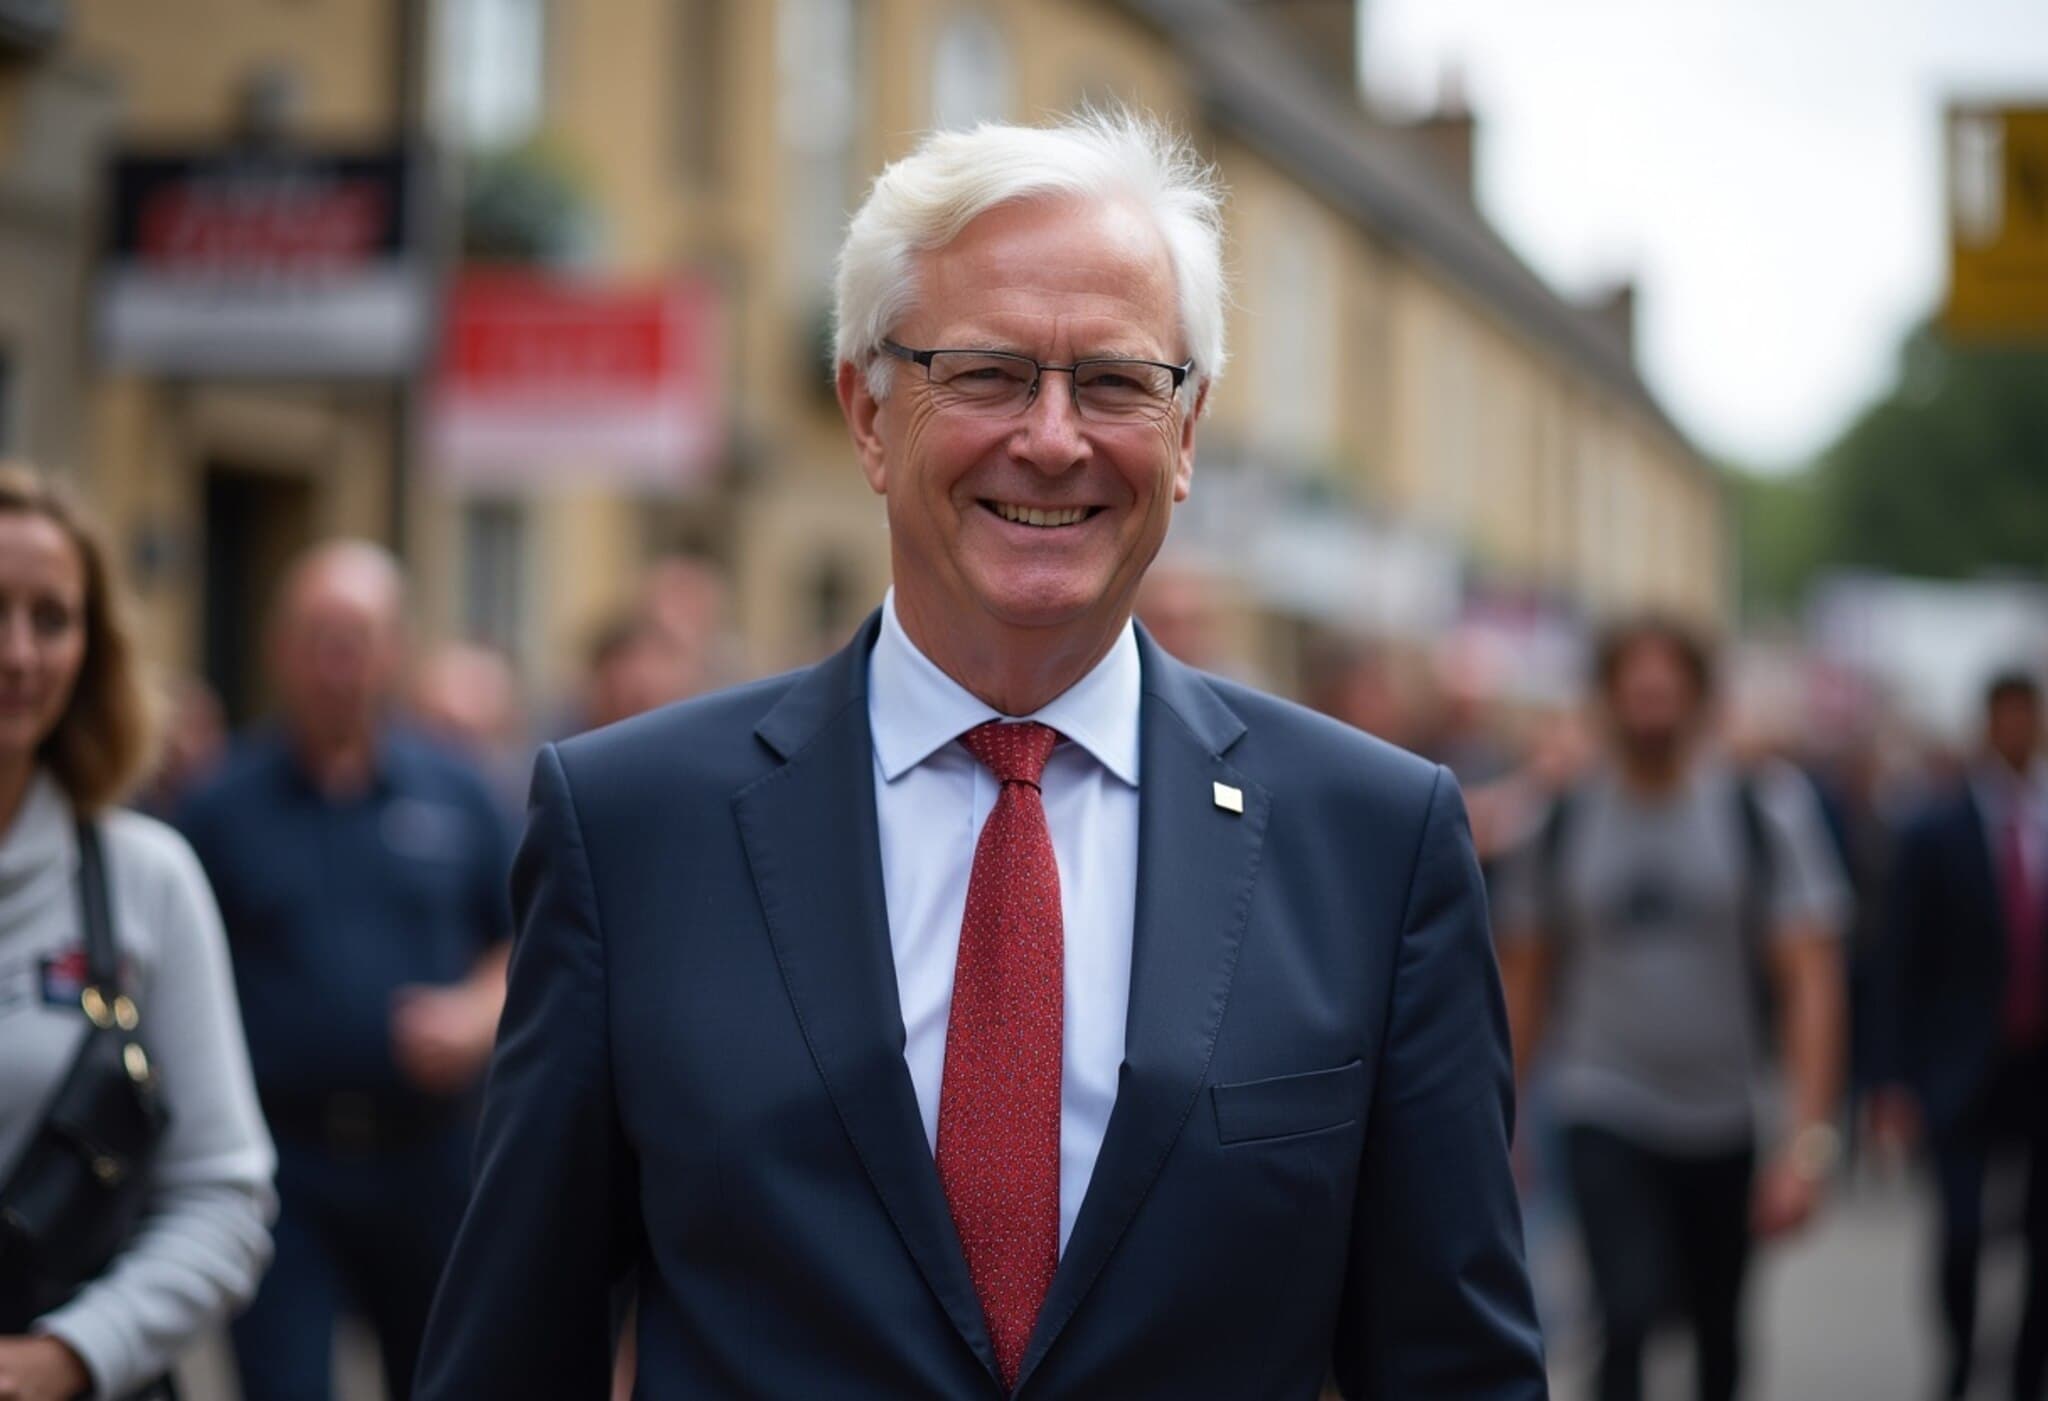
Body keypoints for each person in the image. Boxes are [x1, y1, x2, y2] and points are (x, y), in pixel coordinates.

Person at [418, 111, 1545, 1400]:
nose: (1054, 439)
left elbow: (1455, 1368)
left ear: (1184, 436)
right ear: (866, 411)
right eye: (990, 373)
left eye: (1116, 382)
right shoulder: (630, 828)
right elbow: (512, 1349)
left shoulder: (1372, 842)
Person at [176, 542, 513, 1401]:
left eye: (358, 637)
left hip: (430, 1159)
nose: (339, 663)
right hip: (282, 1168)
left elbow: (534, 937)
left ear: (395, 649)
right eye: (319, 637)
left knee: (448, 1379)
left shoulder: (459, 792)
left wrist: (479, 1011)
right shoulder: (219, 807)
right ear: (279, 649)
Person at [1495, 615, 1849, 1401]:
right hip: (1601, 1100)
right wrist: (1503, 1119)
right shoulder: (1563, 818)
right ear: (1607, 701)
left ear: (1699, 700)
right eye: (1635, 693)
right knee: (1623, 1310)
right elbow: (1524, 978)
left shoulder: (1764, 810)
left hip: (1724, 1113)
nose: (1651, 710)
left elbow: (1811, 978)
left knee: (1718, 1328)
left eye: (1668, 692)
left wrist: (1809, 1140)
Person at [0, 465, 274, 1399]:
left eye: (52, 618)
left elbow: (226, 1199)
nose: (19, 654)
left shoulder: (146, 881)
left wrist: (67, 1356)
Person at [1881, 671, 2048, 1401]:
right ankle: (1959, 1359)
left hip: (2039, 1066)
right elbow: (1898, 959)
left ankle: (2024, 1372)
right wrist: (1889, 1080)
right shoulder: (1934, 827)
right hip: (1960, 1063)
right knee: (1962, 1231)